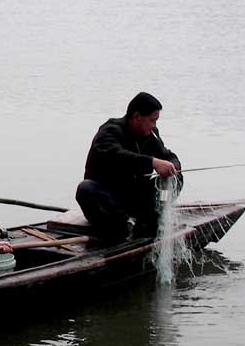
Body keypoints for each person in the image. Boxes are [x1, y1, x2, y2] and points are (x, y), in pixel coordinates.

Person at [75, 91, 182, 241]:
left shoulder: (151, 135)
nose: (154, 125)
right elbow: (116, 155)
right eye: (152, 120)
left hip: (134, 197)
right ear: (137, 117)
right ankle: (119, 229)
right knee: (85, 189)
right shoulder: (110, 131)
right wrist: (152, 162)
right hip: (108, 199)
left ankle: (151, 220)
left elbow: (168, 155)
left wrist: (172, 166)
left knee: (176, 177)